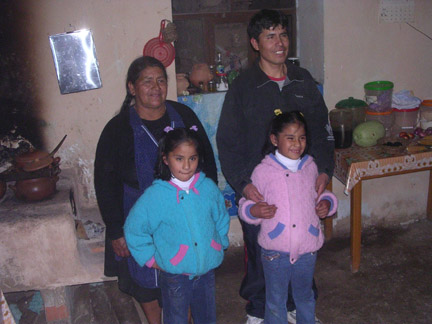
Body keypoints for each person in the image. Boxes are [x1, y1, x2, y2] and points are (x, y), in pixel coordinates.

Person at [216, 9, 335, 324]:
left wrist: (323, 170)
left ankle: (298, 307)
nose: (279, 42)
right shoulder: (244, 87)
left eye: (283, 34)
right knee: (261, 252)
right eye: (270, 36)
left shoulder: (302, 80)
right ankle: (259, 311)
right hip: (263, 190)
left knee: (303, 246)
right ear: (255, 43)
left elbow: (322, 131)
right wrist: (244, 185)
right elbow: (228, 142)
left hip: (301, 185)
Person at [94, 56, 217, 324]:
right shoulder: (117, 129)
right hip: (137, 218)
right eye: (147, 81)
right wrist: (116, 230)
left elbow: (205, 159)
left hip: (182, 216)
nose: (155, 87)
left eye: (161, 80)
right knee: (146, 282)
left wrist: (207, 209)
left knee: (184, 274)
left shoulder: (183, 116)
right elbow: (105, 182)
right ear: (132, 88)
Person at [238, 111, 338, 324]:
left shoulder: (310, 167)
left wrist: (326, 204)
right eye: (290, 138)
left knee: (305, 296)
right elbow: (246, 205)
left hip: (306, 248)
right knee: (275, 300)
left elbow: (322, 194)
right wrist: (254, 211)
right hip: (275, 249)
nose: (297, 144)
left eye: (301, 138)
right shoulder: (263, 171)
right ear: (275, 139)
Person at [124, 127, 230, 324]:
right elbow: (134, 229)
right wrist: (149, 258)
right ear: (166, 159)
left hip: (206, 271)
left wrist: (220, 243)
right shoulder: (155, 196)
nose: (187, 165)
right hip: (175, 274)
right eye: (179, 158)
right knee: (176, 318)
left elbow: (221, 217)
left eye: (193, 158)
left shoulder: (207, 188)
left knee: (207, 317)